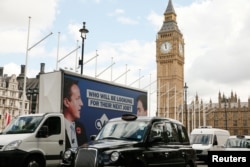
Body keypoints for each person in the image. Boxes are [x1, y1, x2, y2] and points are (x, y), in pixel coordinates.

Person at [63, 77, 88, 149]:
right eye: (77, 99)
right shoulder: (58, 128)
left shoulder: (80, 127)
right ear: (66, 102)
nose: (81, 103)